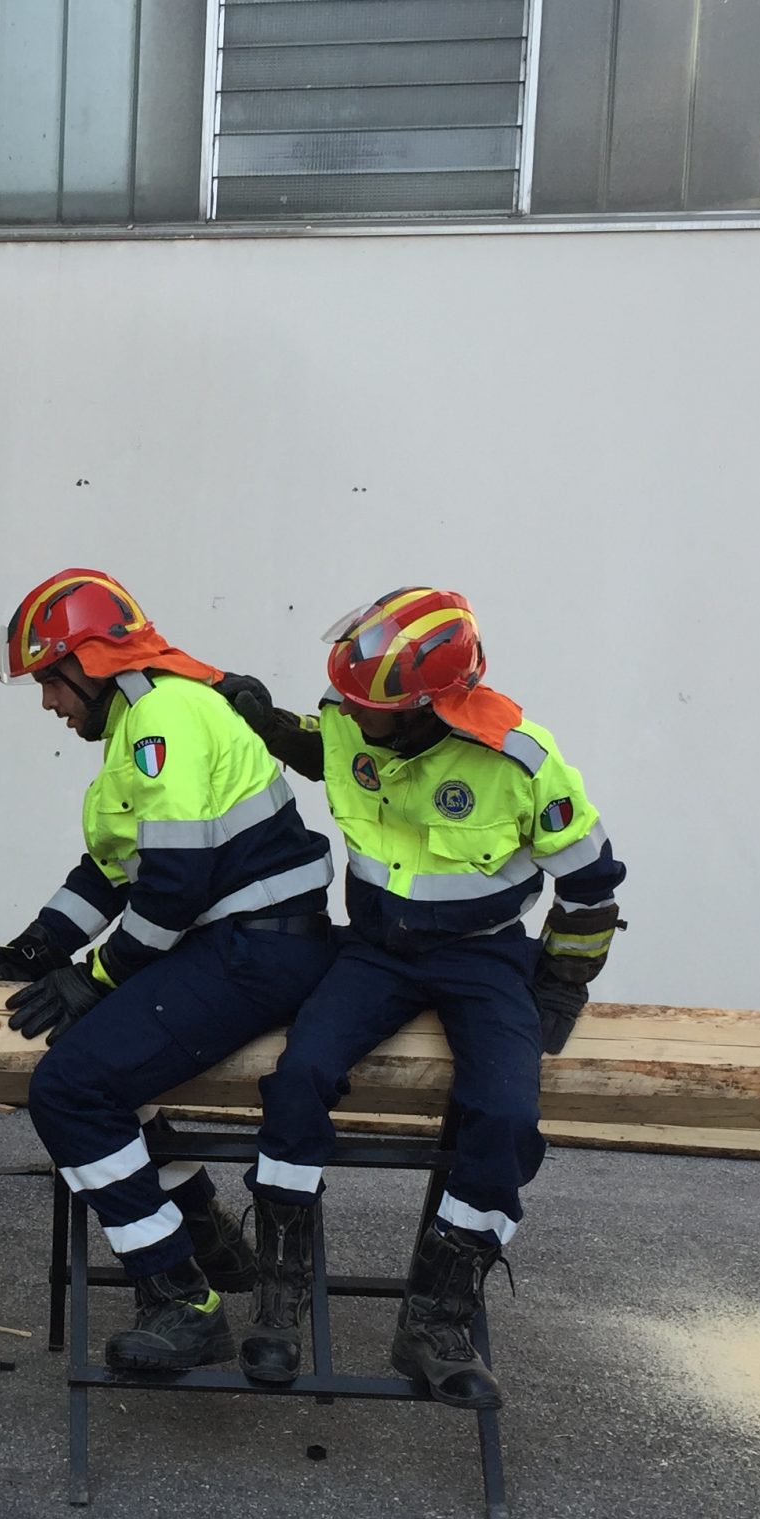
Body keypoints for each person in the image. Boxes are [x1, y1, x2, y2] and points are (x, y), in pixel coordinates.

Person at [218, 588, 624, 1406]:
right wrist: (268, 722)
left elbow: (591, 885)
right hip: (375, 952)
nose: (351, 714)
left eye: (372, 707)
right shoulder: (354, 715)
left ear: (427, 708)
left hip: (484, 958)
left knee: (504, 1118)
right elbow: (326, 747)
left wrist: (561, 986)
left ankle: (436, 1319)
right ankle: (279, 1298)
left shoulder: (519, 760)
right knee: (300, 1077)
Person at [0, 569, 335, 1374]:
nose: (49, 704)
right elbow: (109, 872)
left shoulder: (162, 719)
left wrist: (96, 978)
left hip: (255, 949)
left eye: (51, 682)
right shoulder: (142, 721)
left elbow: (174, 887)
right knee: (105, 1059)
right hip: (242, 942)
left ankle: (180, 1298)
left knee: (71, 1089)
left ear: (89, 662)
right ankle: (204, 1233)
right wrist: (29, 955)